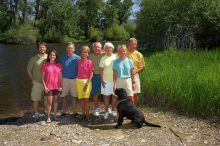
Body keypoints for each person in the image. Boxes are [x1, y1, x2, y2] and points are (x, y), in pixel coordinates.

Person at [27, 41, 47, 121]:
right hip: (37, 83)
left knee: (46, 99)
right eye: (40, 47)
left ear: (46, 48)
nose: (42, 48)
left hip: (47, 83)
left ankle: (46, 112)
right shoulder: (33, 58)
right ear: (38, 48)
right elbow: (29, 70)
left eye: (43, 47)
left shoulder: (49, 57)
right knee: (35, 99)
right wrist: (32, 80)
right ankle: (36, 114)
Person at [41, 49, 63, 123]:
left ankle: (55, 116)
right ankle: (48, 117)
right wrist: (45, 86)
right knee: (49, 103)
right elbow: (42, 77)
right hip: (48, 87)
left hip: (57, 86)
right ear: (48, 56)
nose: (52, 56)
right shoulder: (45, 65)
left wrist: (60, 86)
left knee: (56, 102)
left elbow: (60, 76)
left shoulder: (59, 65)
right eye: (51, 55)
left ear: (56, 56)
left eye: (54, 55)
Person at [59, 42, 80, 116]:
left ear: (74, 49)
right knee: (63, 96)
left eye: (71, 48)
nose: (70, 49)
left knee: (74, 96)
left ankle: (74, 111)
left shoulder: (78, 58)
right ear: (66, 49)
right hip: (64, 79)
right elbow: (58, 69)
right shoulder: (61, 57)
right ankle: (63, 111)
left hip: (74, 79)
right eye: (68, 48)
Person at [99, 42, 117, 120]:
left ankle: (113, 110)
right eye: (107, 48)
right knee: (106, 96)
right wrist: (102, 80)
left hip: (115, 80)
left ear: (112, 49)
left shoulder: (116, 57)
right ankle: (106, 111)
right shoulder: (103, 58)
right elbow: (101, 70)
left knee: (114, 96)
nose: (109, 49)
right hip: (105, 80)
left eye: (110, 48)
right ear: (105, 49)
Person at [76, 45, 94, 120]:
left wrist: (87, 84)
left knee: (86, 99)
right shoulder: (78, 61)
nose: (84, 53)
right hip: (78, 81)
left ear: (88, 53)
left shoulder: (90, 62)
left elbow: (91, 74)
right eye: (83, 52)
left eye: (86, 52)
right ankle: (83, 113)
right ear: (81, 53)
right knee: (81, 99)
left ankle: (87, 114)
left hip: (87, 81)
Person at [126, 38, 145, 106]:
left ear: (136, 45)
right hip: (125, 75)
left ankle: (134, 109)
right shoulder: (123, 52)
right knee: (127, 94)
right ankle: (127, 109)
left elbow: (142, 67)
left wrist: (135, 71)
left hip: (135, 75)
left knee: (135, 93)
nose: (131, 45)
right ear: (128, 44)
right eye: (130, 44)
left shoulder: (139, 55)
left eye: (133, 44)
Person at [89, 42, 105, 116]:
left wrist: (103, 50)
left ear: (101, 48)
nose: (97, 48)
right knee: (95, 94)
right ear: (93, 48)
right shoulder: (89, 56)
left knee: (106, 93)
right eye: (95, 47)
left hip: (104, 76)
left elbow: (111, 52)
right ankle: (96, 108)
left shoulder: (104, 54)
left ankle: (107, 109)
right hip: (94, 76)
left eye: (98, 47)